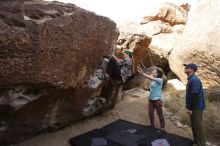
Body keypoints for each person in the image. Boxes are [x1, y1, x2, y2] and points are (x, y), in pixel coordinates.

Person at [184, 63, 206, 146]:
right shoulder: (191, 79)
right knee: (194, 126)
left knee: (197, 126)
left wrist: (189, 108)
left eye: (187, 67)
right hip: (194, 107)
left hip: (196, 107)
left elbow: (195, 96)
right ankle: (196, 142)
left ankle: (201, 144)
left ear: (192, 70)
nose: (185, 68)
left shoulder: (194, 80)